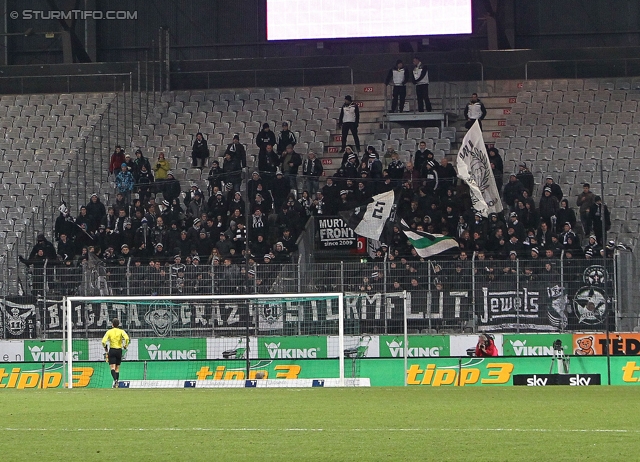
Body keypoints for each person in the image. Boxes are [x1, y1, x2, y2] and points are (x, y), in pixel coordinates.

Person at [101, 318, 130, 388]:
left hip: (112, 350)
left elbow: (103, 341)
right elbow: (127, 338)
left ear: (112, 324)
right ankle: (116, 383)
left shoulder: (109, 332)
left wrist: (105, 347)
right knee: (117, 368)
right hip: (119, 351)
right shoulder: (121, 331)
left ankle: (115, 380)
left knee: (112, 368)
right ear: (118, 324)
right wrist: (125, 345)